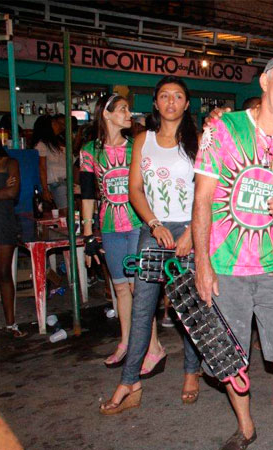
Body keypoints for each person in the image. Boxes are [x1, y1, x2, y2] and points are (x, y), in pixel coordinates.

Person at [193, 55, 273, 450]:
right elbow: (202, 201)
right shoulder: (224, 129)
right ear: (264, 82)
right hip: (224, 266)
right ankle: (246, 427)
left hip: (272, 266)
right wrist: (202, 264)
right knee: (231, 361)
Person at [100, 76, 202, 414]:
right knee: (143, 307)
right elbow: (135, 190)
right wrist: (154, 224)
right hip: (154, 230)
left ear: (187, 104)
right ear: (156, 103)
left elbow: (208, 193)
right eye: (164, 96)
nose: (171, 101)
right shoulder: (142, 140)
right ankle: (130, 380)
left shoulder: (199, 141)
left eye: (178, 96)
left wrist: (192, 232)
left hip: (189, 230)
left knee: (188, 306)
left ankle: (191, 371)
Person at [79, 93, 146, 367]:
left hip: (137, 224)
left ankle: (145, 346)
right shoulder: (89, 151)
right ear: (106, 114)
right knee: (120, 289)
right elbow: (87, 195)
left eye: (128, 109)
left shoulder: (136, 147)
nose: (128, 114)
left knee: (137, 286)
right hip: (109, 226)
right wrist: (87, 235)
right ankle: (126, 342)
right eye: (122, 109)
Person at [0, 138, 24, 338]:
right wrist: (1, 191)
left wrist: (6, 191)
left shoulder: (10, 162)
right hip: (2, 218)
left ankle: (11, 324)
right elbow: (5, 192)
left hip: (3, 222)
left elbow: (12, 192)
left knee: (4, 273)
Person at [31, 115, 67, 211]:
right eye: (54, 123)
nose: (58, 126)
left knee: (67, 212)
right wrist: (45, 190)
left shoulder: (56, 142)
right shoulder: (41, 145)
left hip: (63, 182)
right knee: (66, 212)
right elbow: (42, 168)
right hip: (56, 183)